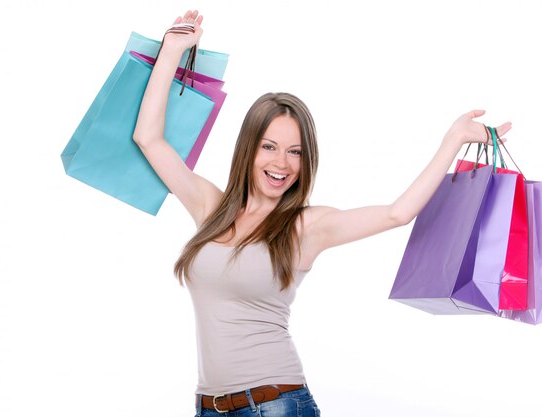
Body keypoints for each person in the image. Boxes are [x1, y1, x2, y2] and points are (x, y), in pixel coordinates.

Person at [132, 9, 511, 417]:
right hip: (208, 407)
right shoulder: (211, 208)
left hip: (275, 406)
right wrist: (172, 50)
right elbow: (148, 138)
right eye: (270, 146)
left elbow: (396, 214)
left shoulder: (305, 226)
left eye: (295, 152)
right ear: (249, 148)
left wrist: (452, 141)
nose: (282, 163)